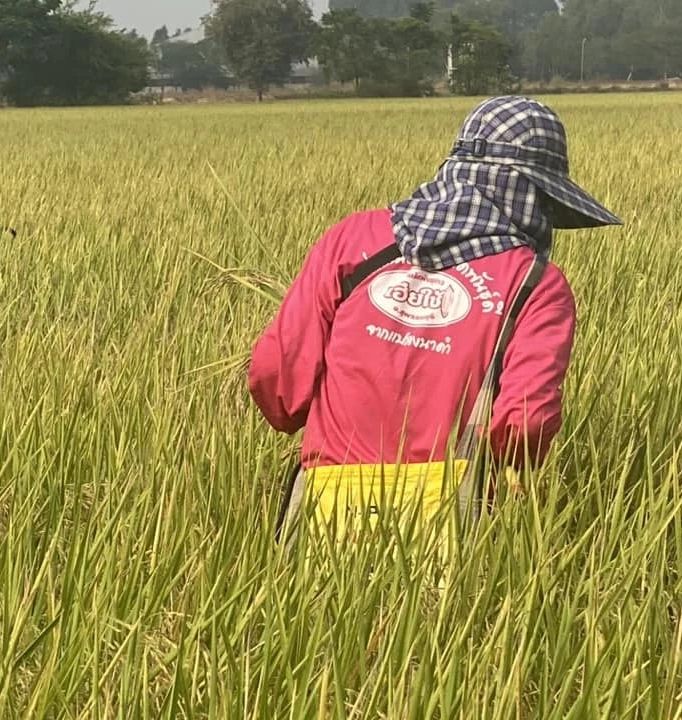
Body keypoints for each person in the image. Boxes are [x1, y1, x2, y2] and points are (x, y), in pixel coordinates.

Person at [248, 96, 623, 545]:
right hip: (449, 512)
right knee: (437, 617)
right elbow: (524, 422)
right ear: (530, 193)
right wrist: (509, 463)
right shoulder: (534, 282)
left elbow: (276, 376)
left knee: (306, 614)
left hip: (327, 500)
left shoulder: (353, 240)